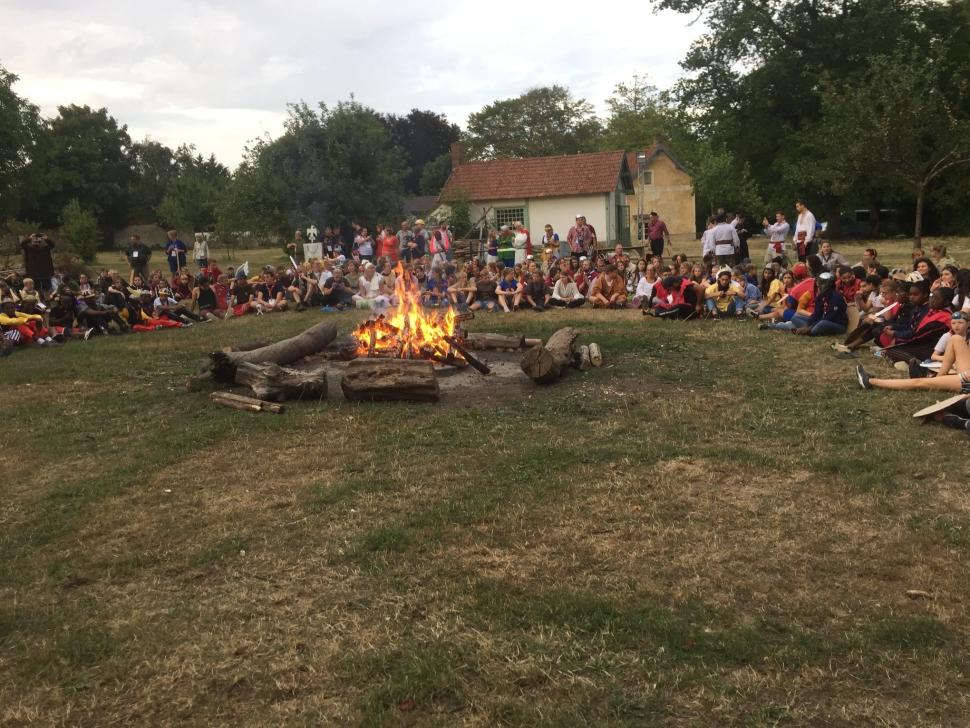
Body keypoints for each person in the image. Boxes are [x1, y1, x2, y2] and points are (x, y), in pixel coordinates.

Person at [792, 272, 848, 337]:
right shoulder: (820, 297)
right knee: (795, 317)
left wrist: (810, 327)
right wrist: (808, 325)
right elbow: (816, 314)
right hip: (821, 321)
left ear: (829, 284)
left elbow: (829, 318)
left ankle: (808, 331)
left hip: (837, 324)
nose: (818, 285)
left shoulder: (836, 297)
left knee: (822, 323)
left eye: (822, 283)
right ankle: (807, 329)